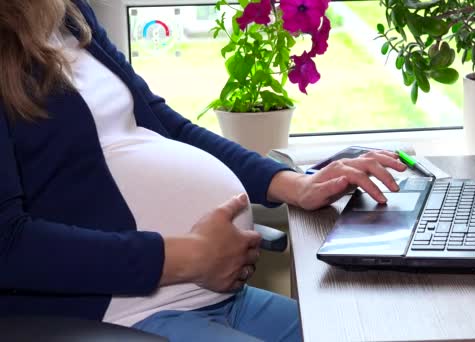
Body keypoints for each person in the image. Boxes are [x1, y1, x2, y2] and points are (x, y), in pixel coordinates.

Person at [0, 1, 406, 341]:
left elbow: (163, 123)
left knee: (375, 331)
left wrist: (295, 185)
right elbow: (8, 245)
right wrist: (190, 257)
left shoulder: (66, 13)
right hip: (123, 314)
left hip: (214, 296)